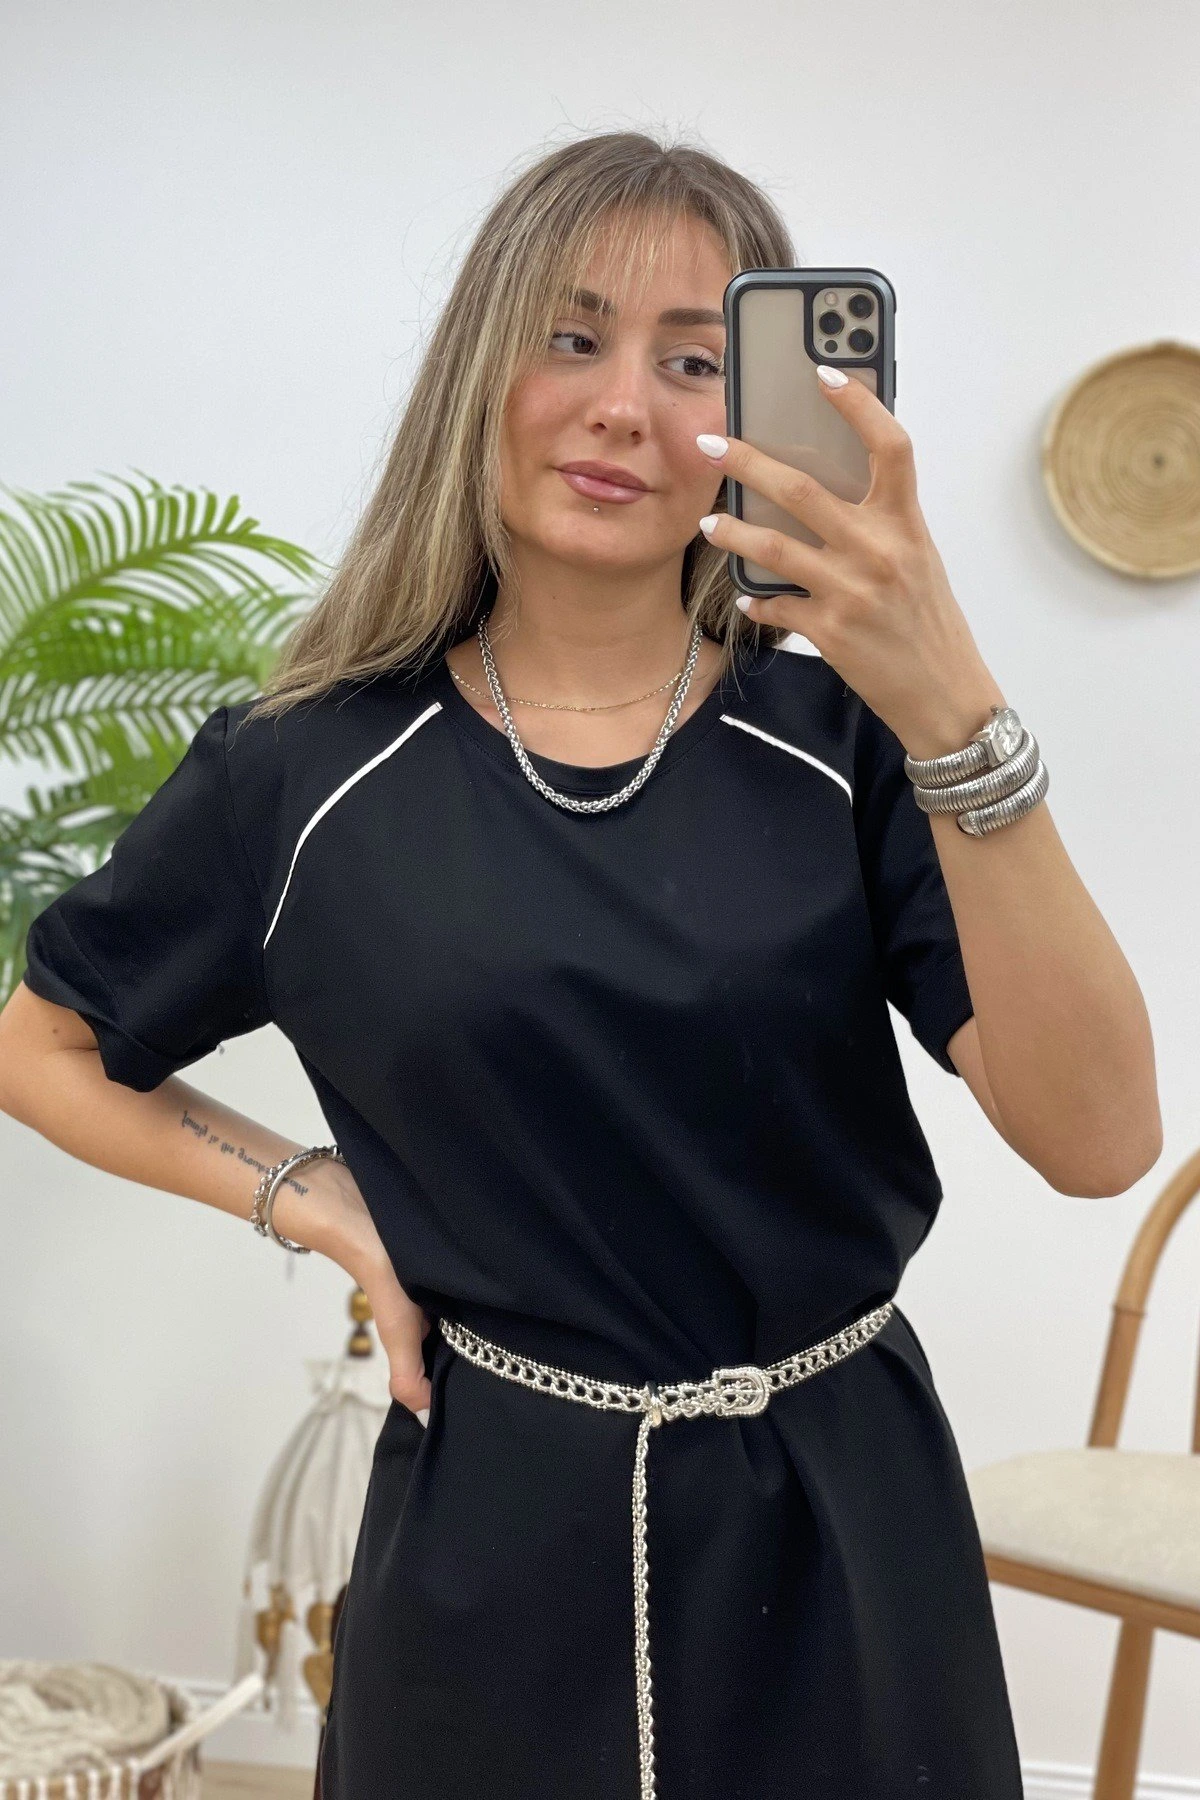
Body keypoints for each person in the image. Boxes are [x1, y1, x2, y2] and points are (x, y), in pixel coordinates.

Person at [0, 129, 1162, 1800]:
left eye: (694, 361)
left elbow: (1101, 1139)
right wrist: (315, 1199)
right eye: (572, 335)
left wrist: (950, 706)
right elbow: (44, 1044)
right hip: (491, 1543)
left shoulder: (849, 739)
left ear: (761, 416)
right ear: (480, 370)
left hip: (844, 1531)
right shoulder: (303, 772)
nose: (625, 406)